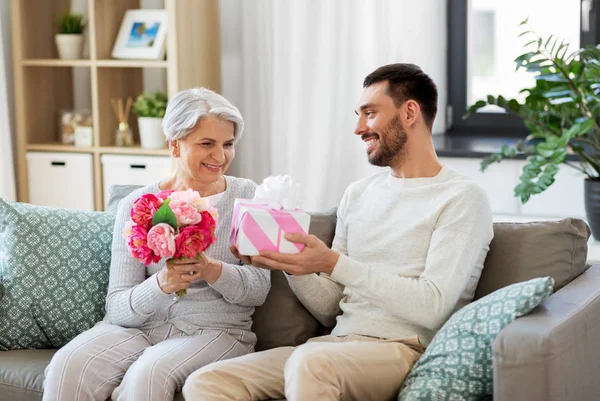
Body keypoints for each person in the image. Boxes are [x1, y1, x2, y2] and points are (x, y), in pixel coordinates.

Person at [182, 63, 494, 401]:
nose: (359, 128)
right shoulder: (358, 194)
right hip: (336, 346)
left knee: (311, 363)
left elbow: (432, 306)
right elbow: (332, 308)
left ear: (410, 112)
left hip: (402, 350)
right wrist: (294, 266)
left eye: (370, 113)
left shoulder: (462, 197)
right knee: (206, 382)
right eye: (358, 115)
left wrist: (333, 263)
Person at [43, 88, 270, 401]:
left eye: (228, 144)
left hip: (216, 332)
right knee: (68, 364)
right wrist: (162, 284)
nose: (220, 157)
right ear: (174, 144)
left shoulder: (249, 197)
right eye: (207, 143)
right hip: (139, 330)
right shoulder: (137, 204)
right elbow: (118, 308)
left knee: (149, 374)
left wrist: (212, 269)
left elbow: (259, 288)